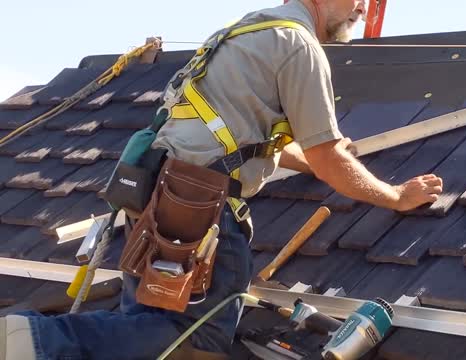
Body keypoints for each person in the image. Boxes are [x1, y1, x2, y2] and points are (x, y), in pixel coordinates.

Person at [0, 1, 443, 359]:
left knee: (142, 326)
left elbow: (240, 136)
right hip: (201, 211)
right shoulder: (299, 47)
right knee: (193, 340)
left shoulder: (248, 32)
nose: (362, 9)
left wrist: (309, 158)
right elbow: (329, 158)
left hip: (159, 197)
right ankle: (39, 341)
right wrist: (397, 195)